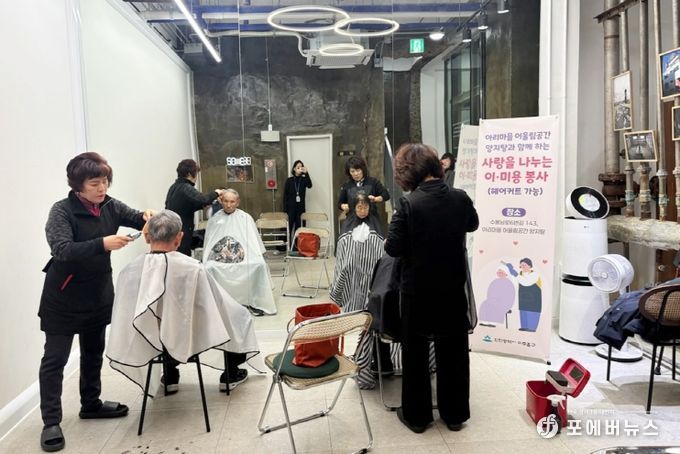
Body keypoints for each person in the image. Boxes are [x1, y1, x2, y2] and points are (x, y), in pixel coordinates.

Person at [38, 152, 154, 452]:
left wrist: (147, 216)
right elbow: (62, 249)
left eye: (104, 181)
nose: (102, 188)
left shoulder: (110, 205)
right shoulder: (61, 211)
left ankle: (91, 403)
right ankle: (51, 422)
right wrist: (103, 244)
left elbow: (136, 216)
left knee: (93, 352)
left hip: (97, 293)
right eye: (94, 183)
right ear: (77, 185)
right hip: (63, 297)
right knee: (55, 360)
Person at [107, 210, 259, 396]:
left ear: (146, 237)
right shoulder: (193, 268)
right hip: (190, 333)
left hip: (151, 337)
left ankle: (170, 376)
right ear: (179, 237)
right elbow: (216, 304)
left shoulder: (129, 271)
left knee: (163, 323)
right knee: (239, 317)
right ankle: (231, 374)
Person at [384, 143, 478, 434]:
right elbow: (472, 224)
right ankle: (455, 415)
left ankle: (417, 417)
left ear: (407, 172)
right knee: (454, 351)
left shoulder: (408, 204)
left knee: (416, 353)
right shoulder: (460, 197)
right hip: (452, 287)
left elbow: (393, 248)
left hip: (418, 291)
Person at [203, 189, 277, 316]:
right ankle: (216, 304)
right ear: (221, 201)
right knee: (208, 267)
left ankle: (255, 302)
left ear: (238, 202)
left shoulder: (245, 218)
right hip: (218, 256)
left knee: (259, 265)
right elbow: (210, 242)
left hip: (245, 254)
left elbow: (253, 241)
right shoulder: (215, 219)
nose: (228, 205)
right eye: (226, 201)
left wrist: (255, 254)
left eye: (232, 202)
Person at [165, 159, 223, 256]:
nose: (196, 178)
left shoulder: (174, 187)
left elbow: (184, 206)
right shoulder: (186, 188)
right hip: (181, 236)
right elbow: (203, 199)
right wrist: (217, 192)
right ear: (190, 174)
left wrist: (203, 205)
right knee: (182, 260)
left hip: (172, 233)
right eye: (196, 174)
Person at [338, 156, 390, 236]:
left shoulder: (373, 182)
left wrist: (376, 199)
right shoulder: (347, 186)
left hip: (371, 219)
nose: (356, 174)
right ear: (349, 172)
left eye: (358, 170)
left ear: (363, 169)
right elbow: (340, 203)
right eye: (352, 171)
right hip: (352, 220)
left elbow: (386, 195)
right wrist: (343, 206)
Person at [504, 258, 542, 332]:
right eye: (521, 266)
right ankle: (524, 327)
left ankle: (531, 328)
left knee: (532, 313)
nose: (523, 267)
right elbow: (516, 282)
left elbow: (526, 282)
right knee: (523, 312)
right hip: (523, 298)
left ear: (530, 265)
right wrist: (511, 272)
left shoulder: (534, 274)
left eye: (524, 265)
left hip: (534, 299)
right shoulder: (520, 274)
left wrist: (515, 274)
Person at [283, 160, 312, 238]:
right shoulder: (289, 180)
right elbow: (285, 196)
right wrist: (285, 210)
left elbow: (309, 185)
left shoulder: (303, 180)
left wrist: (306, 173)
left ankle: (298, 245)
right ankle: (288, 245)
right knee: (288, 228)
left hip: (300, 209)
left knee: (300, 229)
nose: (300, 169)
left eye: (301, 167)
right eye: (298, 167)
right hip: (290, 209)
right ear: (294, 169)